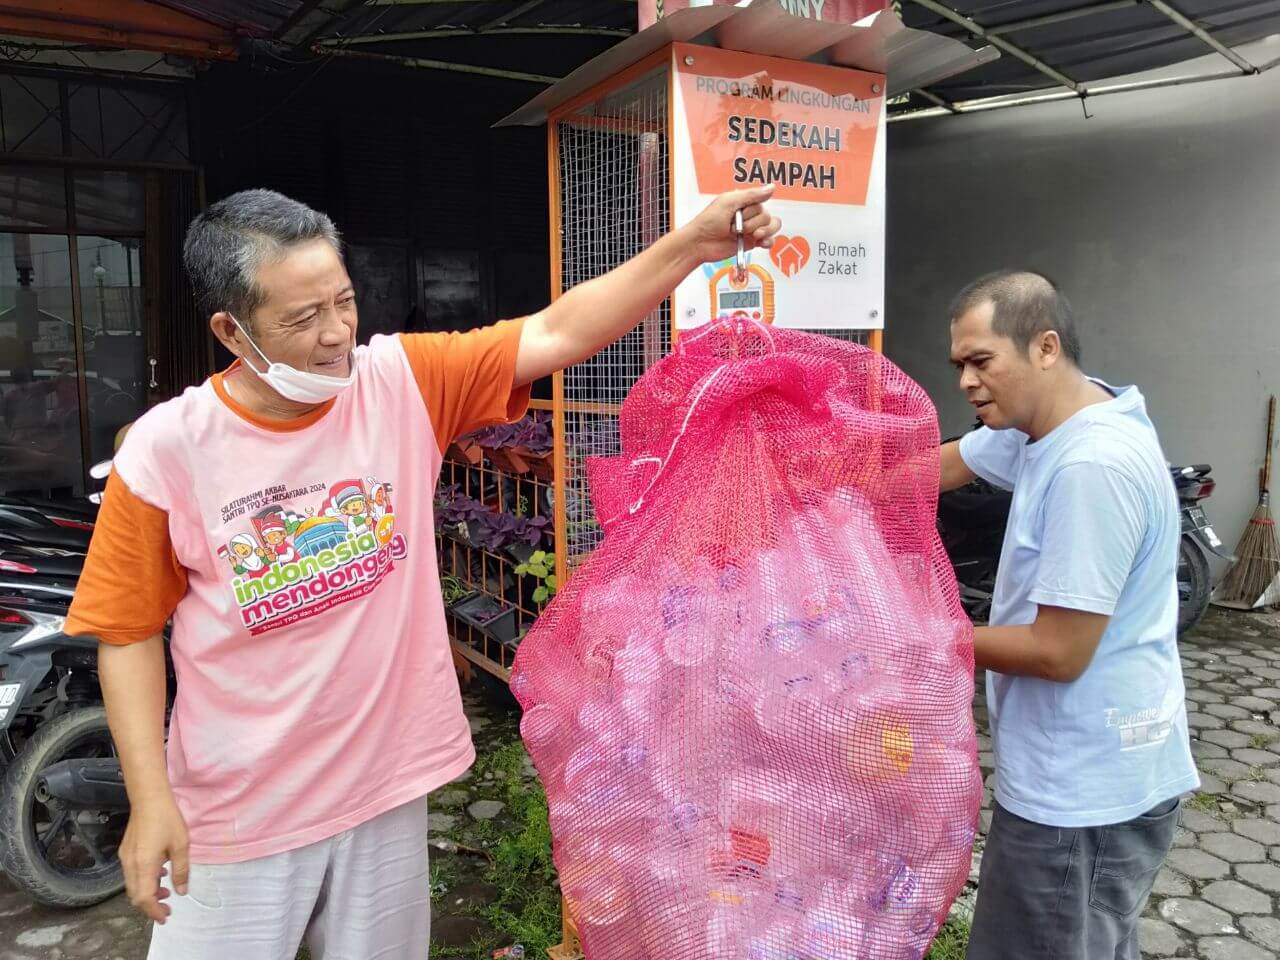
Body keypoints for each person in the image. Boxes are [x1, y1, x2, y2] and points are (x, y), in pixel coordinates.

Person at [64, 185, 780, 959]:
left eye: (343, 301)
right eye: (303, 319)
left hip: (384, 787)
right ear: (232, 331)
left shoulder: (398, 381)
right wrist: (149, 801)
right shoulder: (169, 451)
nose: (337, 333)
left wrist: (692, 247)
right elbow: (126, 631)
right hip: (240, 811)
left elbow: (556, 330)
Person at [939, 270, 1199, 960]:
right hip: (1085, 773)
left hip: (1086, 791)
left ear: (1045, 347)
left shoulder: (1092, 464)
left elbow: (1059, 651)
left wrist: (925, 636)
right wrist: (804, 480)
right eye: (959, 364)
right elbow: (933, 469)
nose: (966, 381)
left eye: (981, 361)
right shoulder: (1054, 417)